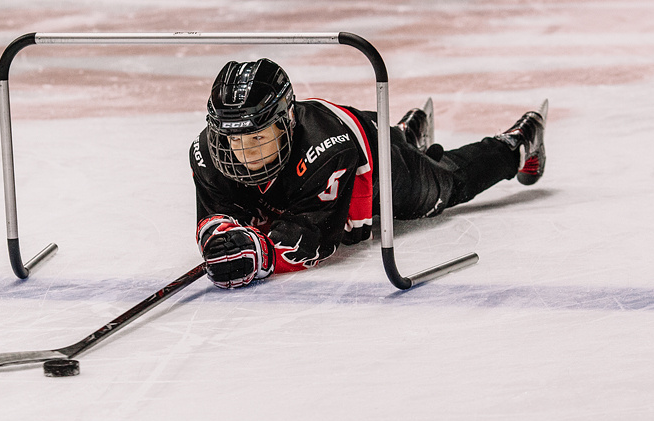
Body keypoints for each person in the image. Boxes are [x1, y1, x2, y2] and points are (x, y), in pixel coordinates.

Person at [189, 58, 547, 289]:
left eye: (257, 136)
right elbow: (219, 216)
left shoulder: (326, 149)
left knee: (448, 185)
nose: (245, 151)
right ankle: (408, 131)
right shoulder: (206, 152)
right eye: (233, 137)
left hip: (376, 163)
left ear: (287, 123)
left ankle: (518, 142)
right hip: (353, 135)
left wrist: (261, 253)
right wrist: (222, 237)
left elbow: (315, 236)